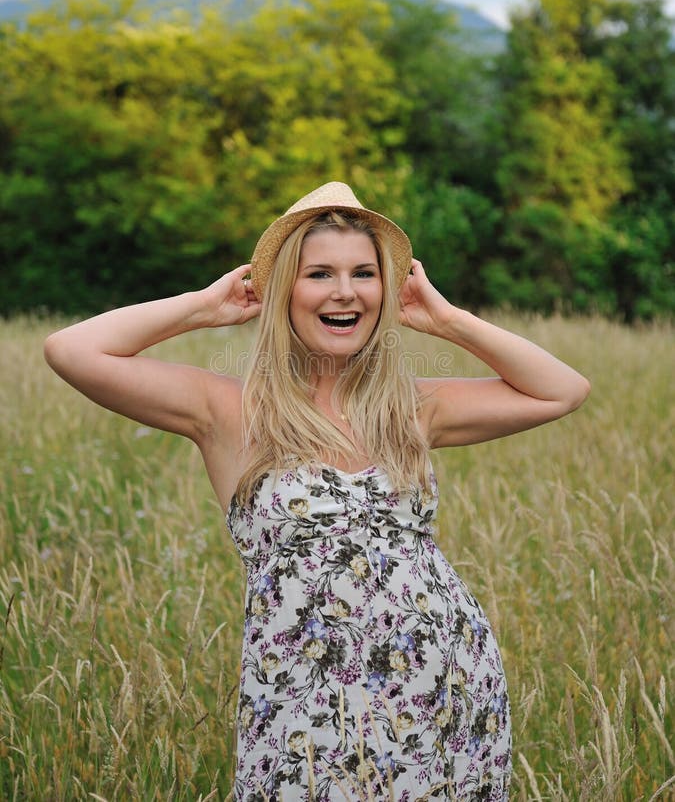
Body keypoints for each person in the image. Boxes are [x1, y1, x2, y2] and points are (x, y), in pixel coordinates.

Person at [44, 182, 590, 801]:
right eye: (319, 273)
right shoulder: (229, 410)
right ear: (285, 293)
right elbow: (70, 350)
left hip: (445, 695)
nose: (344, 291)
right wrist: (201, 307)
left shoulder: (410, 409)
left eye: (364, 273)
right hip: (302, 710)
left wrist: (447, 320)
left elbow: (562, 390)